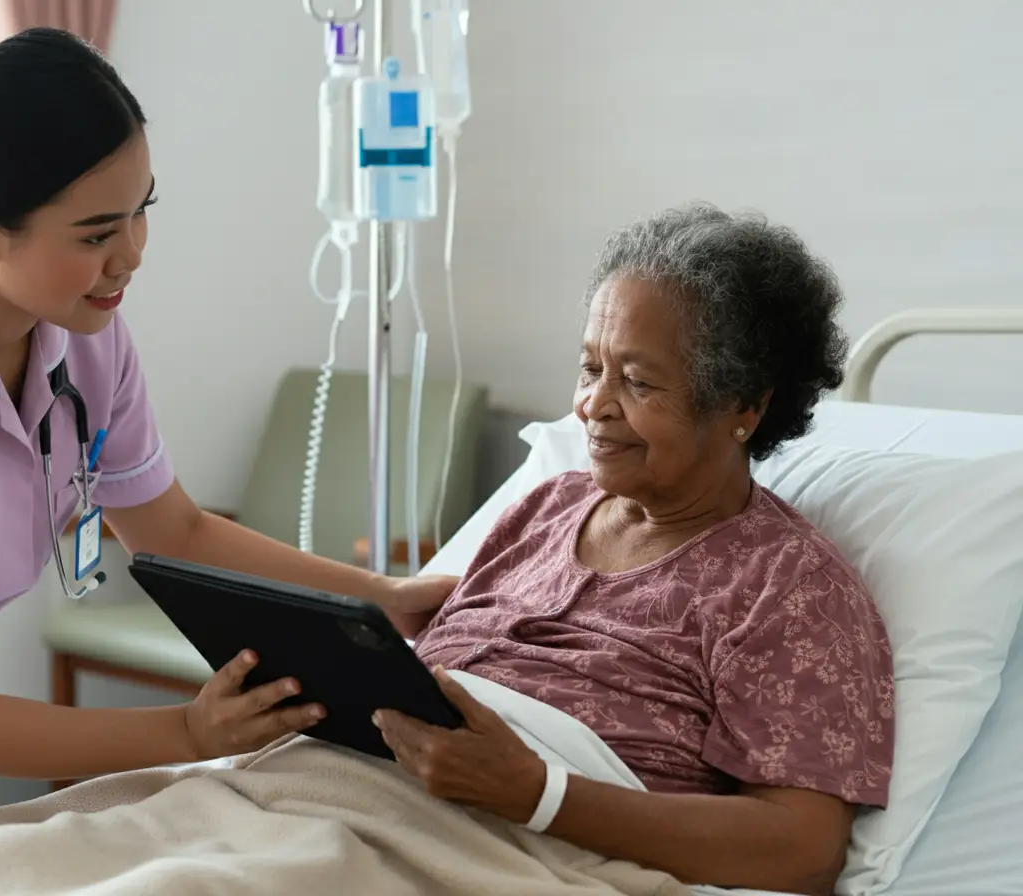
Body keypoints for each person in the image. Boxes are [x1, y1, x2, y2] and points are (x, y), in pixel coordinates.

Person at [0, 28, 455, 833]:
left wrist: (382, 599)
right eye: (95, 234)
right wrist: (187, 733)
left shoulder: (85, 332)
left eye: (140, 213)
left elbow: (172, 528)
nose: (132, 257)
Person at [373, 204, 896, 896]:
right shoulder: (545, 508)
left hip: (509, 857)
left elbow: (801, 852)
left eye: (638, 382)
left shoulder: (790, 588)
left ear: (744, 406)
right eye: (590, 369)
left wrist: (539, 793)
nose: (593, 405)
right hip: (359, 797)